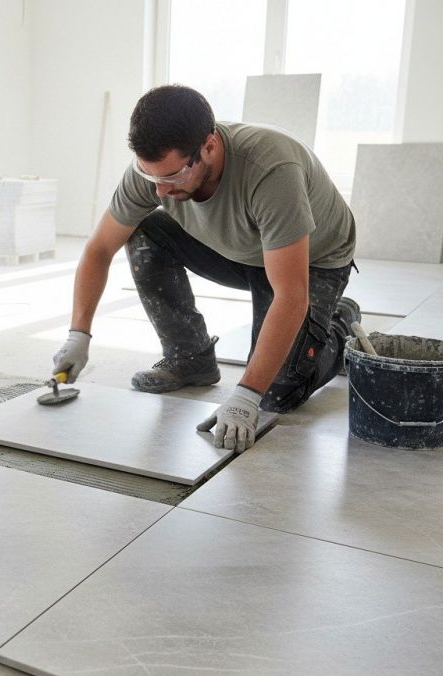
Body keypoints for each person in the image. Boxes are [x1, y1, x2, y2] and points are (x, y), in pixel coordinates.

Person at [52, 84, 359, 453]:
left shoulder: (271, 168)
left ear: (209, 147)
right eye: (152, 177)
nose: (160, 191)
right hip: (236, 249)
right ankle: (190, 358)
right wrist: (78, 335)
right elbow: (100, 248)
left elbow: (291, 294)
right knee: (144, 232)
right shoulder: (154, 172)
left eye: (172, 176)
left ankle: (337, 326)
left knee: (275, 393)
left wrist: (246, 394)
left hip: (311, 261)